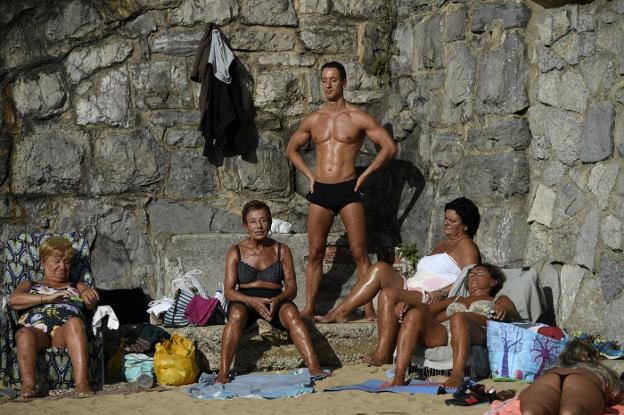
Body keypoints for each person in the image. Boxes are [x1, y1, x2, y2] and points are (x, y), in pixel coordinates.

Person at [286, 61, 397, 319]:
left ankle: (368, 309)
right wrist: (309, 174)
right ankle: (310, 308)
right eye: (324, 80)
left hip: (349, 188)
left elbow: (389, 147)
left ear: (344, 83)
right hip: (321, 190)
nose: (328, 85)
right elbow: (291, 149)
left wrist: (365, 175)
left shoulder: (358, 117)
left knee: (360, 253)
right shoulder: (314, 119)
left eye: (333, 80)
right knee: (315, 252)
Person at [316, 197, 481, 325]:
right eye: (446, 218)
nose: (446, 223)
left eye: (452, 221)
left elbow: (471, 278)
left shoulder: (466, 245)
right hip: (411, 288)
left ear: (465, 225)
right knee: (380, 267)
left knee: (387, 288)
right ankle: (342, 311)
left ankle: (340, 313)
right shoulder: (444, 243)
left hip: (429, 297)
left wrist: (441, 293)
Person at [216, 200, 328, 383]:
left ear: (270, 223)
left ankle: (314, 367)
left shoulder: (281, 250)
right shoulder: (235, 251)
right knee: (235, 314)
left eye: (264, 220)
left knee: (292, 313)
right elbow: (229, 291)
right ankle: (223, 372)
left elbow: (292, 289)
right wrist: (251, 301)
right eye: (253, 221)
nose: (259, 226)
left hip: (275, 299)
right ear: (245, 225)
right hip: (245, 300)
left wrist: (278, 299)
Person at [388, 263, 517, 388]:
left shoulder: (498, 299)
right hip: (447, 332)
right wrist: (410, 305)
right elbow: (428, 310)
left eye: (479, 273)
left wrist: (502, 310)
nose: (473, 276)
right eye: (471, 275)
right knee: (413, 315)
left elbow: (511, 312)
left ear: (493, 282)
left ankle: (457, 375)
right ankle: (399, 375)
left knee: (458, 316)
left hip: (478, 331)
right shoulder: (457, 299)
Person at [9, 237, 99, 398]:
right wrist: (48, 298)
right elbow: (14, 301)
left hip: (65, 333)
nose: (62, 267)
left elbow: (89, 300)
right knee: (23, 333)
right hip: (36, 334)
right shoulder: (29, 284)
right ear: (43, 262)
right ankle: (28, 385)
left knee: (75, 323)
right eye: (57, 261)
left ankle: (82, 384)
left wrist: (88, 295)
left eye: (67, 262)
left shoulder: (76, 285)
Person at [519, 339, 624, 415]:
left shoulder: (551, 369)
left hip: (549, 378)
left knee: (536, 407)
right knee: (575, 408)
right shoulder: (599, 371)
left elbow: (524, 393)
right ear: (592, 357)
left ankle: (532, 410)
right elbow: (617, 393)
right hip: (583, 381)